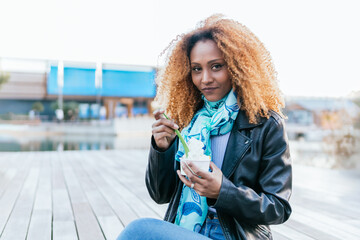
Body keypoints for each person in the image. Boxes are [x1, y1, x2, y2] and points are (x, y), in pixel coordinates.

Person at [117, 14, 292, 240]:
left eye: (216, 66)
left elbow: (278, 208)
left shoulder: (266, 124)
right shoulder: (186, 120)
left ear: (237, 67)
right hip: (187, 230)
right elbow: (160, 196)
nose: (205, 79)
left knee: (137, 232)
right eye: (196, 69)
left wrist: (223, 191)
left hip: (234, 235)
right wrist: (162, 149)